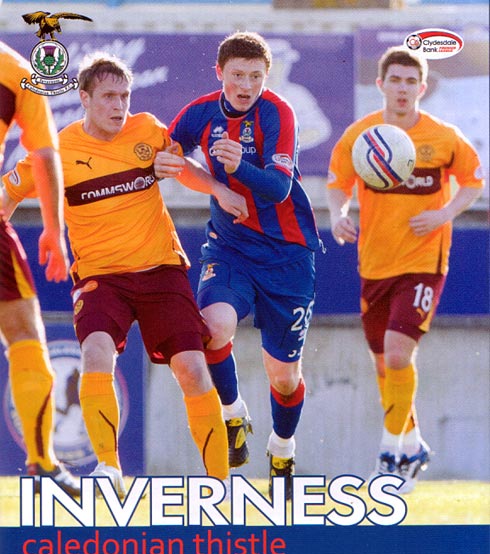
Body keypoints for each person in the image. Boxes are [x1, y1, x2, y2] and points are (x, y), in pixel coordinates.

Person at [3, 53, 248, 499]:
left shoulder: (147, 130)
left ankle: (220, 487)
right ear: (84, 98)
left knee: (193, 371)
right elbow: (11, 191)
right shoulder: (60, 149)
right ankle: (109, 467)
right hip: (101, 278)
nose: (120, 106)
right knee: (95, 353)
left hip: (160, 272)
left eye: (125, 96)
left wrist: (216, 188)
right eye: (109, 97)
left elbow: (180, 167)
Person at [155, 32, 323, 499]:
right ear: (219, 73)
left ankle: (282, 446)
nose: (246, 85)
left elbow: (279, 188)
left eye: (255, 76)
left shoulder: (279, 112)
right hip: (230, 247)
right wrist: (217, 188)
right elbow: (171, 158)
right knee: (211, 328)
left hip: (288, 256)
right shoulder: (200, 113)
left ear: (266, 77)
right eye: (237, 75)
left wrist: (237, 169)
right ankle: (232, 414)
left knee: (284, 377)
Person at [326, 46, 484, 493]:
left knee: (398, 353)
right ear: (381, 85)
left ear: (423, 87)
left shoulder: (443, 136)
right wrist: (338, 214)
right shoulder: (362, 135)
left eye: (411, 81)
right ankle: (412, 444)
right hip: (375, 263)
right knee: (383, 364)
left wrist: (444, 213)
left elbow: (474, 181)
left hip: (424, 261)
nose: (402, 88)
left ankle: (390, 456)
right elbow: (338, 183)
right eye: (395, 80)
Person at [0, 41, 79, 495]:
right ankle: (42, 463)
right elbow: (46, 155)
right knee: (25, 338)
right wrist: (53, 230)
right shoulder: (15, 70)